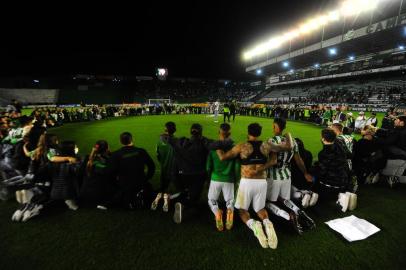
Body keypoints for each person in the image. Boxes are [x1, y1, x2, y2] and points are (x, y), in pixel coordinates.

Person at [216, 123, 293, 249]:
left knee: (242, 211)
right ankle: (267, 223)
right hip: (262, 182)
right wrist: (288, 135)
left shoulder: (242, 146)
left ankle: (254, 225)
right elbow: (288, 147)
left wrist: (216, 146)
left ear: (248, 132)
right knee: (260, 209)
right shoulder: (267, 145)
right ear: (260, 133)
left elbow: (223, 157)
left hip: (247, 182)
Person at [265, 118, 316, 235]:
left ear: (274, 126)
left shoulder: (271, 141)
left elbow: (269, 160)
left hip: (273, 177)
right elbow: (299, 161)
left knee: (268, 202)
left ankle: (288, 216)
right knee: (284, 199)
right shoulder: (292, 141)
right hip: (287, 177)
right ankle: (299, 211)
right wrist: (305, 173)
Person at [165, 124, 212, 223]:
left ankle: (171, 198)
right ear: (201, 132)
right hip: (198, 174)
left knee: (186, 191)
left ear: (191, 132)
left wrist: (168, 133)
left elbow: (168, 139)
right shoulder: (204, 143)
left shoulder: (181, 141)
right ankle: (183, 204)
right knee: (194, 197)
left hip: (183, 174)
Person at [311, 128, 357, 213]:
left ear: (323, 139)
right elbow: (350, 155)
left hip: (332, 184)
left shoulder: (324, 153)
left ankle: (337, 199)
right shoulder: (340, 145)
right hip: (344, 180)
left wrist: (313, 169)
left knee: (314, 178)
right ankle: (344, 194)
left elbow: (322, 172)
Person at [106, 132, 155, 209]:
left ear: (120, 141)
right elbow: (152, 166)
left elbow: (110, 172)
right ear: (131, 139)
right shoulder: (141, 151)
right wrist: (146, 178)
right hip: (141, 183)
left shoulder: (116, 155)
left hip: (125, 185)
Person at [207, 123, 239, 231]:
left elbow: (208, 166)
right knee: (230, 200)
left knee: (211, 200)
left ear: (219, 132)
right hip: (229, 178)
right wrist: (236, 178)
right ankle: (229, 210)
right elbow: (237, 165)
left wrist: (208, 178)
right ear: (229, 133)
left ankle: (217, 212)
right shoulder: (234, 147)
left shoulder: (213, 146)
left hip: (215, 178)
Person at [151, 122, 177, 212]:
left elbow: (157, 155)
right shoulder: (176, 141)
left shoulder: (159, 141)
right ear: (174, 130)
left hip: (163, 166)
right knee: (171, 186)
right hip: (173, 168)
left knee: (163, 184)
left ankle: (159, 197)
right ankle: (166, 199)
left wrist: (162, 162)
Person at [80, 140, 112, 209]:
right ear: (107, 148)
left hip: (86, 194)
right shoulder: (110, 159)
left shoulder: (87, 158)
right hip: (101, 194)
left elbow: (87, 167)